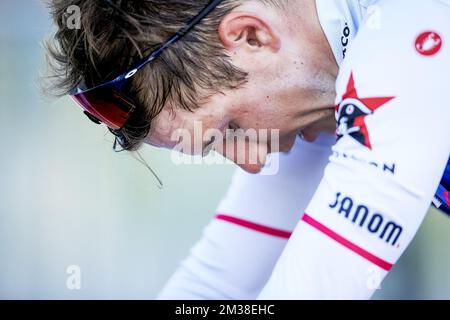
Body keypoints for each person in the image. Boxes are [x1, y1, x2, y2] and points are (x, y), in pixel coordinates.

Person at [46, 0, 450, 299]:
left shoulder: (406, 20)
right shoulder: (314, 81)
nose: (254, 162)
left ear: (251, 36)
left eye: (230, 130)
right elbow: (217, 286)